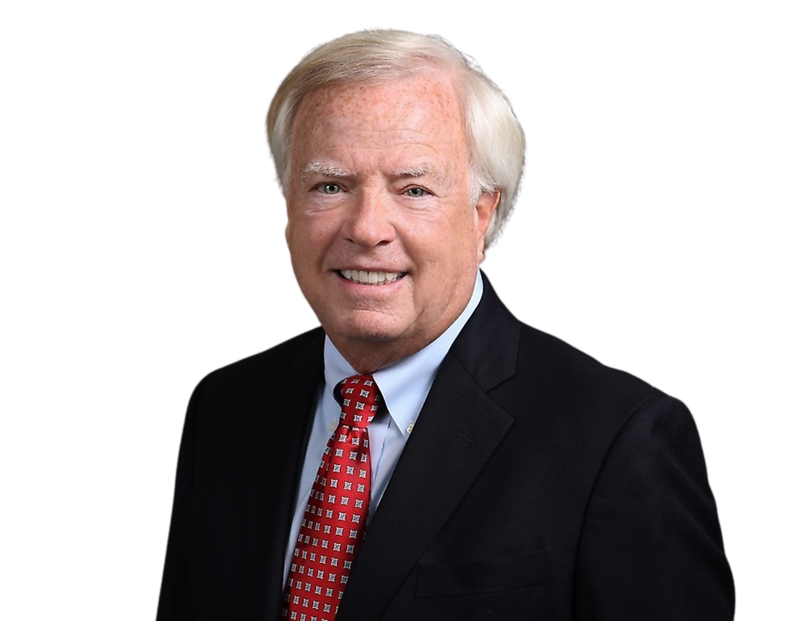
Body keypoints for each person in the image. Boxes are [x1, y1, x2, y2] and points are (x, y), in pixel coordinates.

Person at [156, 26, 734, 620]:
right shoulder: (225, 407)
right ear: (286, 209)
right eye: (330, 185)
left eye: (414, 189)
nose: (367, 228)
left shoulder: (619, 439)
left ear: (483, 213)